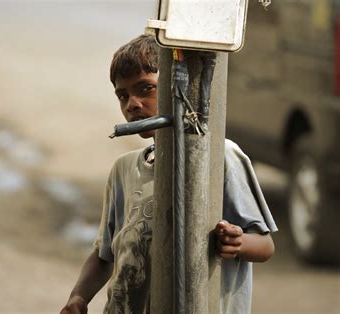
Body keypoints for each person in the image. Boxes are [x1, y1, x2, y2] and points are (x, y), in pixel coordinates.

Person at [60, 35, 277, 314]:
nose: (132, 104)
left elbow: (265, 245)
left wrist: (238, 243)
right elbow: (104, 256)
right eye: (123, 95)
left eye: (145, 89)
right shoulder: (123, 171)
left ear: (177, 85)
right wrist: (78, 297)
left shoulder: (220, 157)